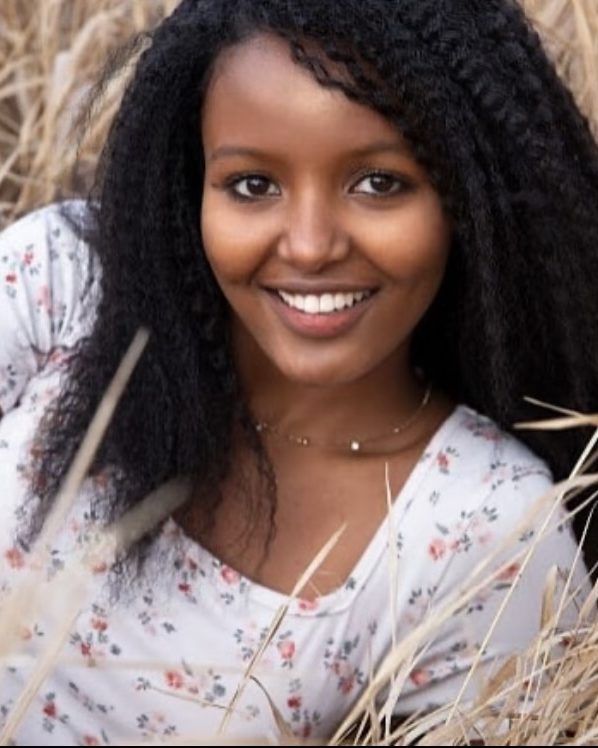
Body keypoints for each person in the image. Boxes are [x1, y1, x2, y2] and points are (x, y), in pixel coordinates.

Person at [0, 0, 597, 743]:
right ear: (194, 188)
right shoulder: (62, 281)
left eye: (380, 183)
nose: (311, 246)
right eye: (252, 185)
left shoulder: (486, 529)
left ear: (468, 202)